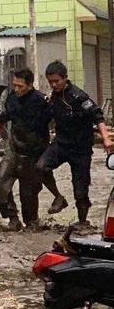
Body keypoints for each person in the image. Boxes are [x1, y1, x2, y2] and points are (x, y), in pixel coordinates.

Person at [38, 60, 113, 225]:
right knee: (41, 167)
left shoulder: (79, 96)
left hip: (81, 149)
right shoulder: (53, 98)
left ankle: (82, 222)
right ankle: (58, 197)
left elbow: (97, 116)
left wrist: (106, 138)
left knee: (80, 189)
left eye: (57, 81)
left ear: (65, 78)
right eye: (51, 82)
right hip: (61, 144)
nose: (54, 84)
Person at [0, 68, 50, 231]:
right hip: (14, 147)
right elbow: (6, 114)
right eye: (14, 85)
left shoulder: (41, 101)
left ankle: (31, 221)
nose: (16, 89)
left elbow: (55, 121)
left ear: (29, 85)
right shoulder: (12, 97)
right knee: (0, 179)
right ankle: (12, 217)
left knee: (27, 191)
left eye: (20, 86)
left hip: (32, 151)